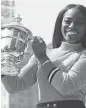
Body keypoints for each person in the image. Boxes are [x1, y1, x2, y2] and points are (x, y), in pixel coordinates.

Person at [1, 4, 86, 108]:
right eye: (67, 21)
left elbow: (66, 85)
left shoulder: (83, 55)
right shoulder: (44, 53)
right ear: (60, 24)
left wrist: (42, 57)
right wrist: (6, 59)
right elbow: (14, 86)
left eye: (79, 22)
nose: (72, 25)